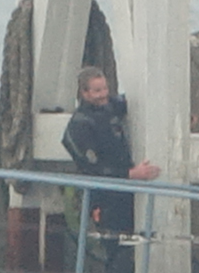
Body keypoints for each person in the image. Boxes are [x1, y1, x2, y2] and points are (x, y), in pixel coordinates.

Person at [61, 66, 160, 273]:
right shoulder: (79, 125)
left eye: (105, 89)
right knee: (117, 252)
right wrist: (131, 174)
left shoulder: (110, 107)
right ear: (84, 93)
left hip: (126, 194)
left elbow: (130, 100)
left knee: (135, 245)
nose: (103, 95)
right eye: (97, 91)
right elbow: (92, 168)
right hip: (104, 198)